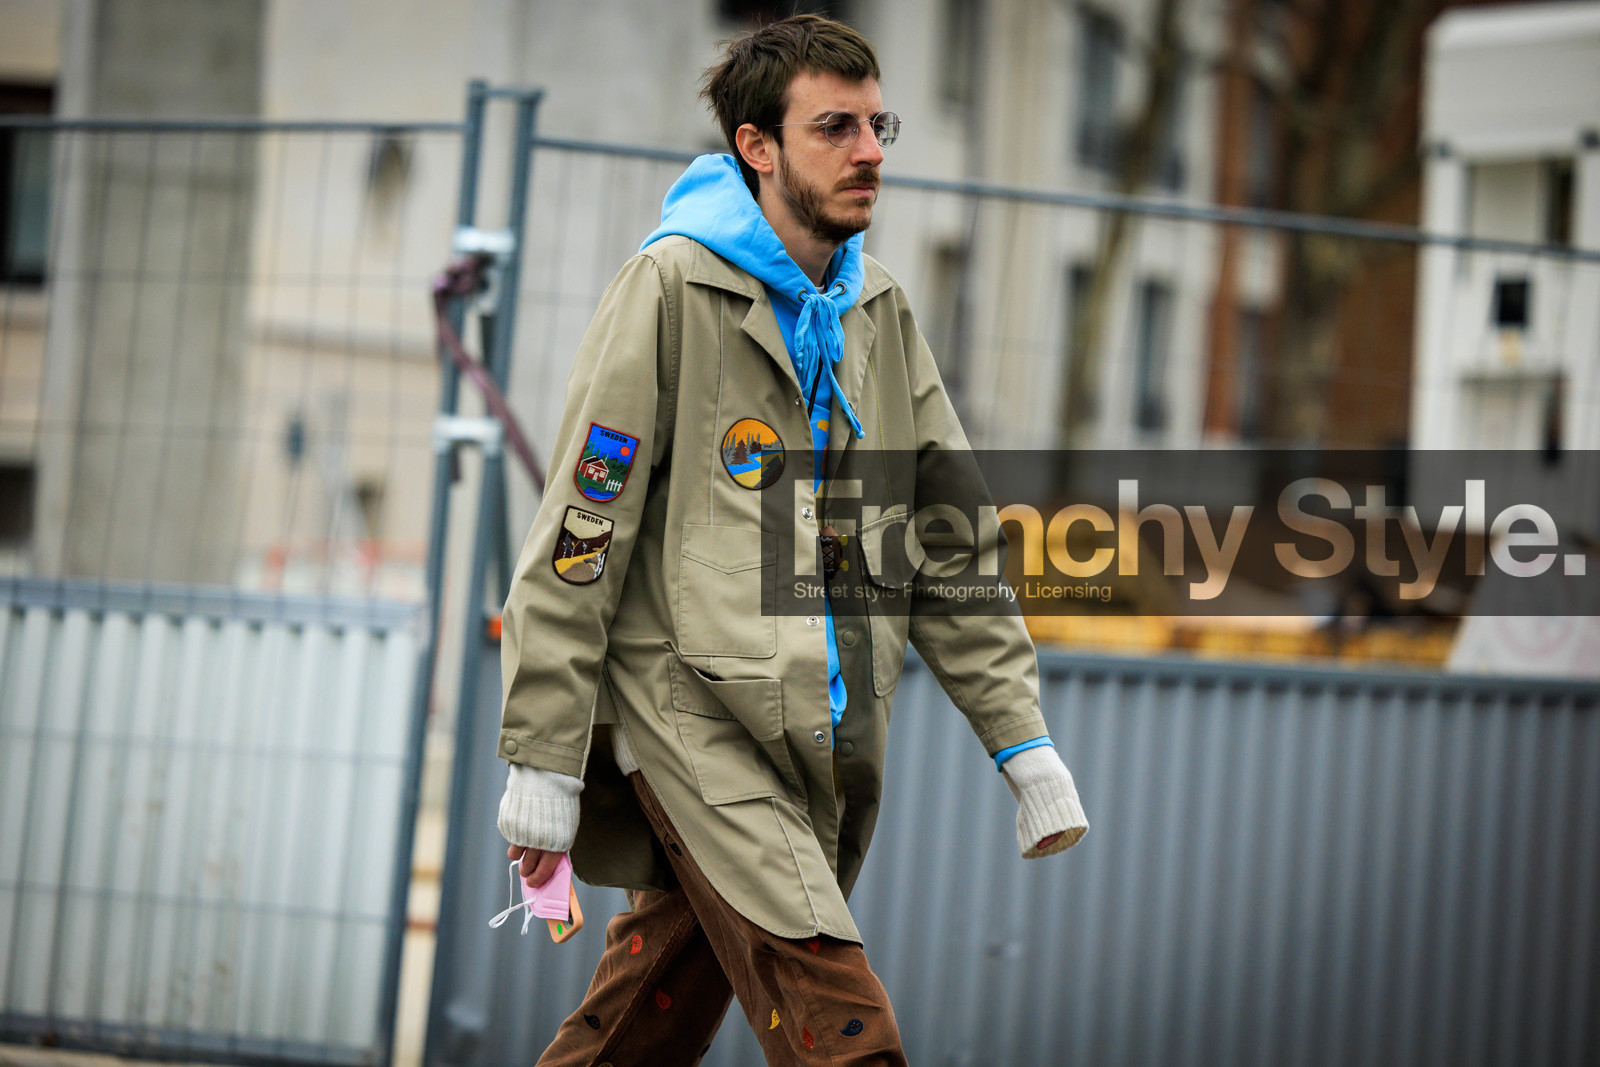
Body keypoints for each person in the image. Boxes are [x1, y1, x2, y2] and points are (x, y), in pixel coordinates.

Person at [495, 14, 1088, 1064]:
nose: (870, 151)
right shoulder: (672, 286)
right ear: (757, 148)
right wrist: (543, 754)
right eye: (835, 128)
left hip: (824, 741)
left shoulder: (878, 312)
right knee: (845, 1030)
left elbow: (943, 538)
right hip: (688, 719)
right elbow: (583, 526)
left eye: (877, 124)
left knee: (639, 1024)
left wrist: (1020, 738)